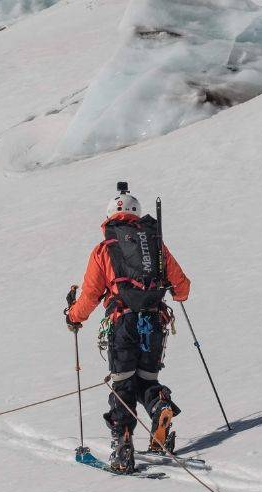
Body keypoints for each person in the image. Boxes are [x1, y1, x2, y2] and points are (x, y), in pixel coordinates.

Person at [65, 183, 191, 472]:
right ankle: (160, 407)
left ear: (110, 216)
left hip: (122, 324)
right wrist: (175, 293)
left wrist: (73, 317)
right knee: (146, 380)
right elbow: (182, 287)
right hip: (155, 323)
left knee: (123, 385)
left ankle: (123, 446)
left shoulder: (104, 249)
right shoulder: (155, 242)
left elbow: (91, 295)